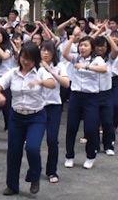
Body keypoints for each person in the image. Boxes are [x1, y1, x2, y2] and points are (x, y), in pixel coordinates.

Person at [0, 41, 55, 195]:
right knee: (13, 151)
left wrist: (40, 81)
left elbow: (52, 83)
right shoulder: (13, 73)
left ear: (35, 60)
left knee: (32, 148)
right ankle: (12, 185)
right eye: (23, 58)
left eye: (30, 59)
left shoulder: (40, 72)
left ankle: (34, 176)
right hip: (17, 117)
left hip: (36, 117)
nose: (26, 62)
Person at [63, 35, 107, 169]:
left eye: (86, 45)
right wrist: (72, 39)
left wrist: (87, 67)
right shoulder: (76, 57)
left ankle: (90, 156)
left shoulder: (97, 59)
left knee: (90, 128)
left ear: (91, 48)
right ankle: (69, 156)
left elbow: (104, 69)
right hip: (76, 96)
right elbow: (65, 53)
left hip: (91, 97)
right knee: (71, 127)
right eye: (81, 45)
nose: (82, 48)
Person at [40, 40, 70, 183]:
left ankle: (52, 171)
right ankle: (34, 169)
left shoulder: (60, 66)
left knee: (52, 140)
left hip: (53, 106)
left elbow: (66, 83)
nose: (45, 53)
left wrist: (50, 70)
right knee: (33, 142)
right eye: (43, 50)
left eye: (48, 51)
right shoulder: (33, 65)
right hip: (37, 107)